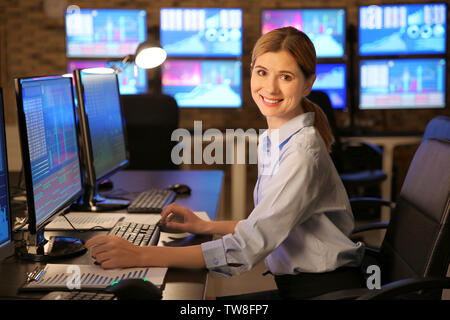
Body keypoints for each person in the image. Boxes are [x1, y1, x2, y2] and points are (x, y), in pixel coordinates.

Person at [86, 27, 365, 299]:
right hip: (303, 286)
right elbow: (266, 223)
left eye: (286, 77)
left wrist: (141, 254)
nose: (270, 87)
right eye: (262, 72)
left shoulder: (302, 153)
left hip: (325, 290)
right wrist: (205, 226)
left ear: (308, 84)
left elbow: (247, 247)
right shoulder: (276, 138)